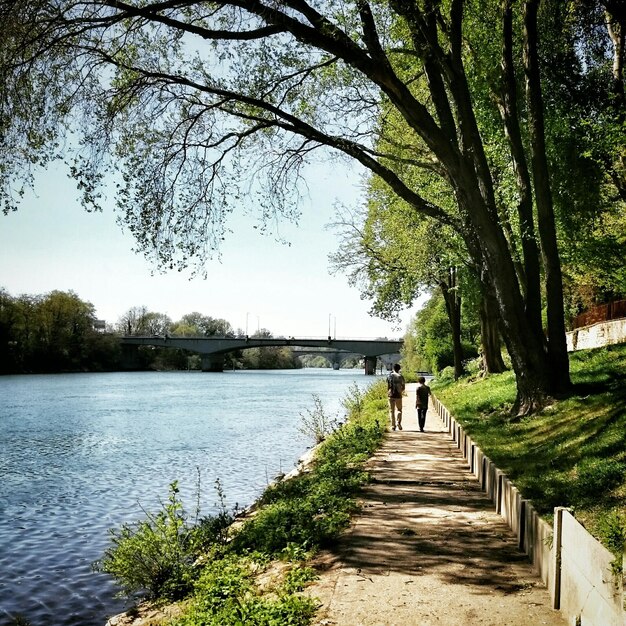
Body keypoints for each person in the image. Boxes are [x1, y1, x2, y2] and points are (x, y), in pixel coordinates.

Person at [387, 363, 406, 431]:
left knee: (392, 411)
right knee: (399, 410)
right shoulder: (401, 376)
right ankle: (398, 423)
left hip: (391, 395)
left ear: (393, 369)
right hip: (398, 395)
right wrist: (400, 391)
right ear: (399, 369)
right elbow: (403, 387)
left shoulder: (389, 376)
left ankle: (393, 426)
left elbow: (388, 386)